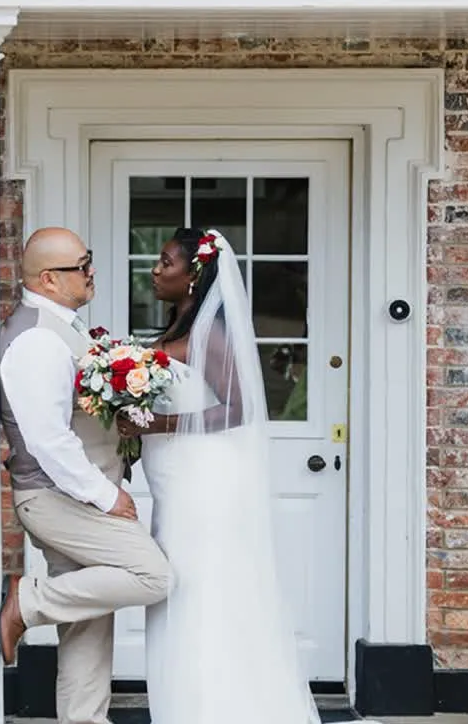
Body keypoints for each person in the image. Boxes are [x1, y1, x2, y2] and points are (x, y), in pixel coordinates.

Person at [116, 227, 377, 724]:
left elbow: (240, 408)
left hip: (205, 483)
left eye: (166, 262)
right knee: (178, 591)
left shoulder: (209, 334)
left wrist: (160, 423)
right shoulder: (175, 331)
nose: (155, 269)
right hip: (174, 482)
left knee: (203, 592)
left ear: (194, 274)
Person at [0, 227, 172, 724]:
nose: (92, 271)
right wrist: (104, 495)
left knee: (89, 624)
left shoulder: (60, 327)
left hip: (71, 496)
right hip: (57, 498)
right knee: (152, 575)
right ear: (50, 279)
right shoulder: (35, 339)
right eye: (83, 264)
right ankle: (27, 602)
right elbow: (46, 438)